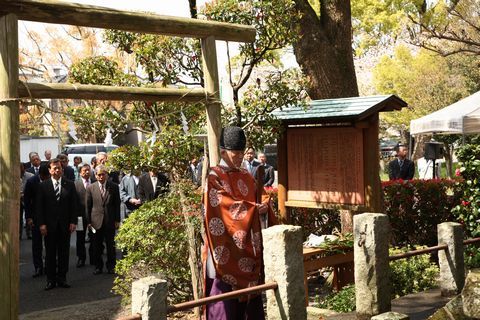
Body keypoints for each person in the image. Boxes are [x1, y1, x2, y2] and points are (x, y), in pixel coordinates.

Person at [203, 126, 276, 319]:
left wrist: (263, 208)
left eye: (241, 153)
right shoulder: (214, 176)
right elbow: (221, 207)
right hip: (226, 247)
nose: (239, 157)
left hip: (248, 248)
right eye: (235, 153)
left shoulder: (246, 175)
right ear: (223, 152)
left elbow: (260, 198)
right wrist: (252, 209)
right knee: (225, 300)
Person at [36, 159, 78, 290]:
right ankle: (50, 279)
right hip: (49, 226)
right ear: (49, 170)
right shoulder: (43, 186)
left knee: (64, 253)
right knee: (50, 253)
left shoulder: (70, 185)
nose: (57, 170)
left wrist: (73, 221)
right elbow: (39, 207)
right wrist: (42, 224)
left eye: (59, 168)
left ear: (62, 169)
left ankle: (62, 278)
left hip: (65, 225)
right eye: (54, 168)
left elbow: (74, 205)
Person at [86, 165, 121, 275]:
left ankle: (111, 266)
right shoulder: (91, 188)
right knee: (96, 245)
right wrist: (88, 222)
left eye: (103, 174)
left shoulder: (114, 187)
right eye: (98, 174)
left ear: (107, 174)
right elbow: (88, 206)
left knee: (111, 245)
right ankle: (98, 266)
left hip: (110, 220)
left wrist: (117, 220)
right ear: (95, 175)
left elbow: (117, 205)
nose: (101, 176)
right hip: (95, 221)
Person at [24, 164, 50, 277]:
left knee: (50, 242)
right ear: (41, 175)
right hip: (35, 217)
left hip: (49, 216)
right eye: (45, 177)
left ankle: (49, 265)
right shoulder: (31, 182)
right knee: (37, 244)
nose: (47, 179)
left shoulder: (51, 181)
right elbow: (27, 200)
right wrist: (28, 217)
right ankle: (38, 267)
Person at [74, 163, 93, 268]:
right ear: (80, 172)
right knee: (80, 238)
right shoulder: (75, 184)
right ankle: (81, 258)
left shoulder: (94, 183)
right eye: (84, 170)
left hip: (93, 216)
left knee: (94, 237)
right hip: (80, 217)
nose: (87, 172)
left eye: (88, 170)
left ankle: (93, 257)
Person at [20, 164, 34, 240]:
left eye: (21, 168)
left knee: (28, 215)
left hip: (27, 199)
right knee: (19, 218)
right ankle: (19, 234)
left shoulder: (30, 176)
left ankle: (29, 233)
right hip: (17, 200)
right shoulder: (13, 175)